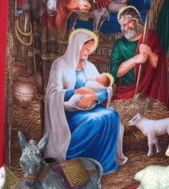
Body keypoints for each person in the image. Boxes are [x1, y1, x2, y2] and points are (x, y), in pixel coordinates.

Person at [44, 29, 127, 174]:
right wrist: (76, 92)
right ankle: (76, 162)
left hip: (90, 106)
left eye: (91, 50)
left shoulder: (89, 66)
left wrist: (94, 97)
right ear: (77, 45)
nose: (88, 53)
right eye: (87, 49)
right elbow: (53, 94)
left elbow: (106, 89)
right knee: (95, 120)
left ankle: (103, 164)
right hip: (69, 113)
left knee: (112, 115)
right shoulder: (59, 65)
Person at [110, 6, 169, 104]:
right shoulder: (119, 45)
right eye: (123, 25)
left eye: (129, 22)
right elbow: (116, 72)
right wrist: (135, 60)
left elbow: (159, 65)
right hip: (124, 96)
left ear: (136, 20)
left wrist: (149, 52)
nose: (127, 27)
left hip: (148, 92)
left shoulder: (150, 37)